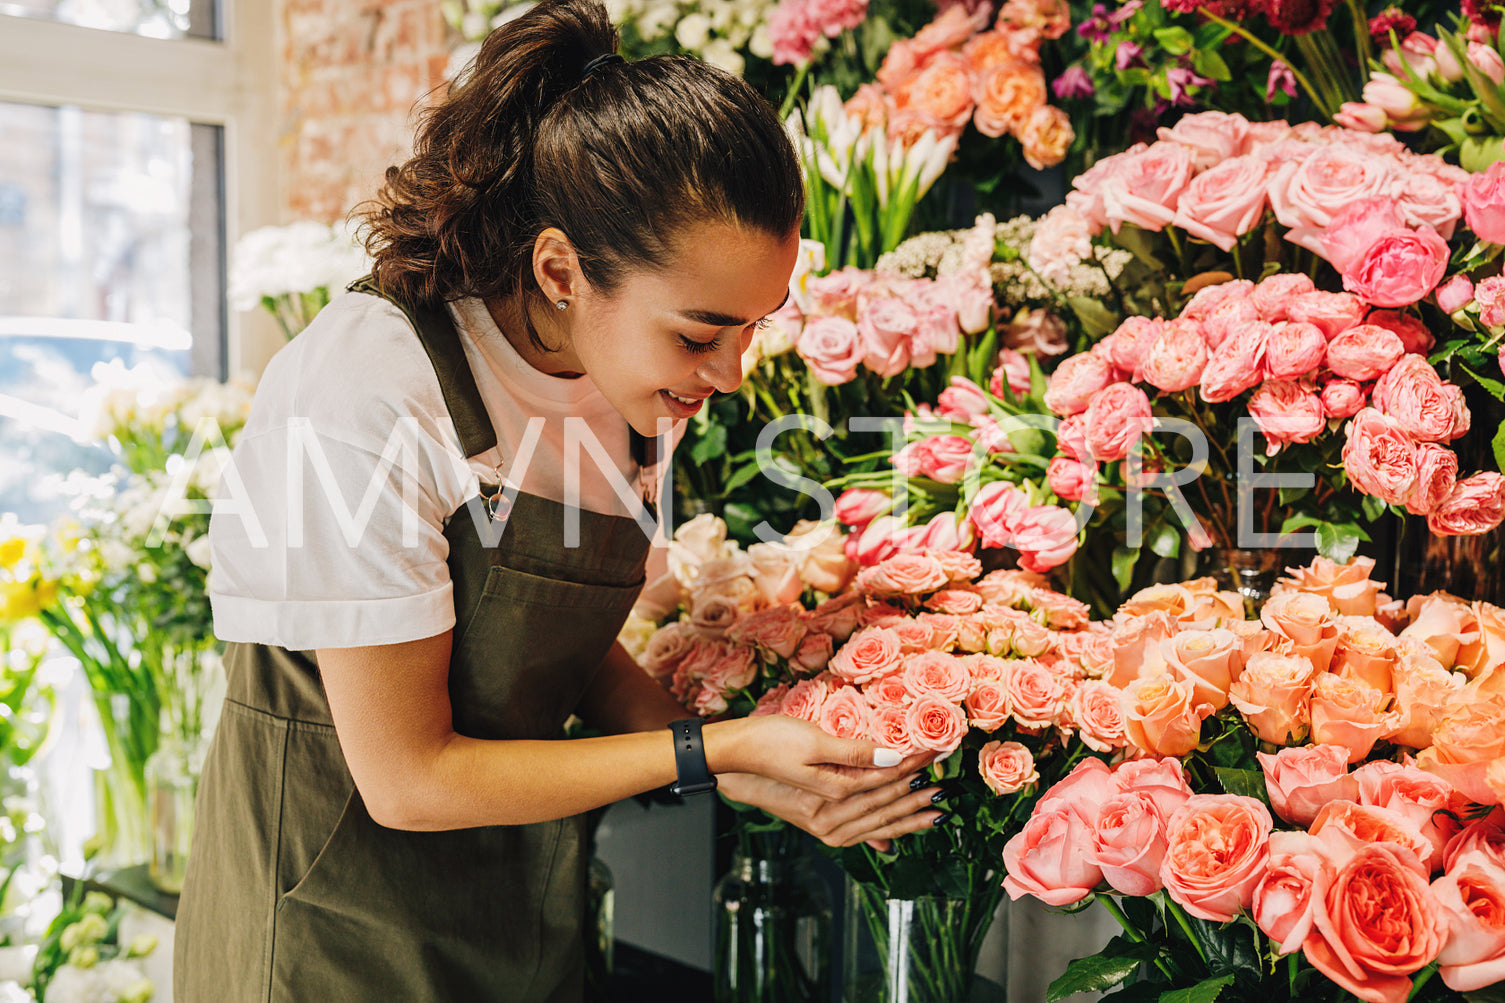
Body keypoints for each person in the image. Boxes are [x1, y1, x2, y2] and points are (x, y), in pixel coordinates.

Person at [173, 1, 946, 999]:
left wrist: (745, 769)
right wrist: (707, 747)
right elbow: (408, 780)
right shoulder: (366, 396)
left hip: (527, 916)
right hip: (326, 935)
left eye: (752, 328)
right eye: (700, 332)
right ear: (558, 269)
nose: (731, 372)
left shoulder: (627, 387)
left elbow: (549, 639)